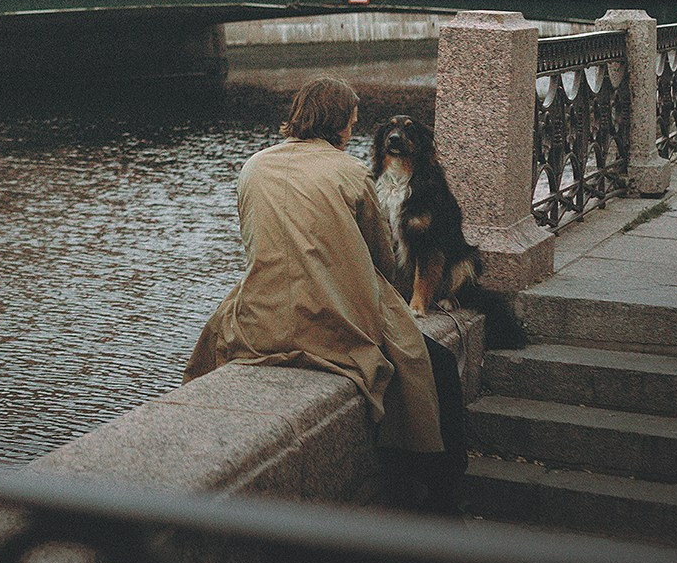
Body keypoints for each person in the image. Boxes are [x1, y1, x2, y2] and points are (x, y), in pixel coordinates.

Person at [184, 76, 467, 513]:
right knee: (435, 365)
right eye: (352, 123)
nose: (353, 132)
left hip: (260, 318)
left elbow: (252, 240)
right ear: (339, 125)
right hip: (331, 321)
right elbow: (383, 259)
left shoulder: (253, 166)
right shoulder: (351, 172)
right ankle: (440, 492)